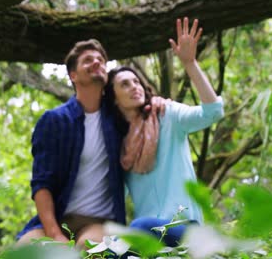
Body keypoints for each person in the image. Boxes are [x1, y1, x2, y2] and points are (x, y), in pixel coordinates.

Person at [16, 39, 166, 248]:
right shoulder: (55, 121)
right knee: (25, 250)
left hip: (100, 222)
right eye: (88, 60)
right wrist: (54, 233)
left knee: (88, 247)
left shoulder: (116, 118)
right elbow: (42, 185)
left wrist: (154, 101)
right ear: (73, 75)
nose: (97, 62)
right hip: (57, 219)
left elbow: (140, 107)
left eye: (101, 60)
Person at [105, 17, 224, 246]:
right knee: (109, 248)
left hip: (185, 230)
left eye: (136, 82)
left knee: (135, 230)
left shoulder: (167, 114)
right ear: (114, 99)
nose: (134, 87)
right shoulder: (119, 147)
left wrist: (190, 63)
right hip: (148, 235)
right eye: (125, 84)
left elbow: (213, 112)